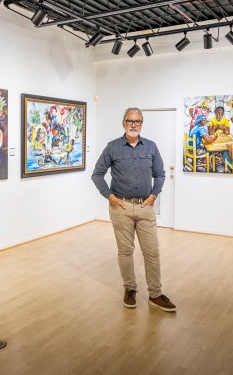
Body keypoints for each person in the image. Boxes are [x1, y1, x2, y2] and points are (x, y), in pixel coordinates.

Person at [91, 107, 176, 312]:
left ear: (142, 124)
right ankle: (130, 288)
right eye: (130, 121)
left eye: (137, 121)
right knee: (125, 251)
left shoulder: (151, 147)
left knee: (152, 253)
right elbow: (97, 174)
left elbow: (160, 174)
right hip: (121, 207)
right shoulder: (112, 147)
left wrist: (154, 195)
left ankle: (155, 294)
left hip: (145, 207)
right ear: (123, 123)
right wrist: (110, 197)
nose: (133, 124)